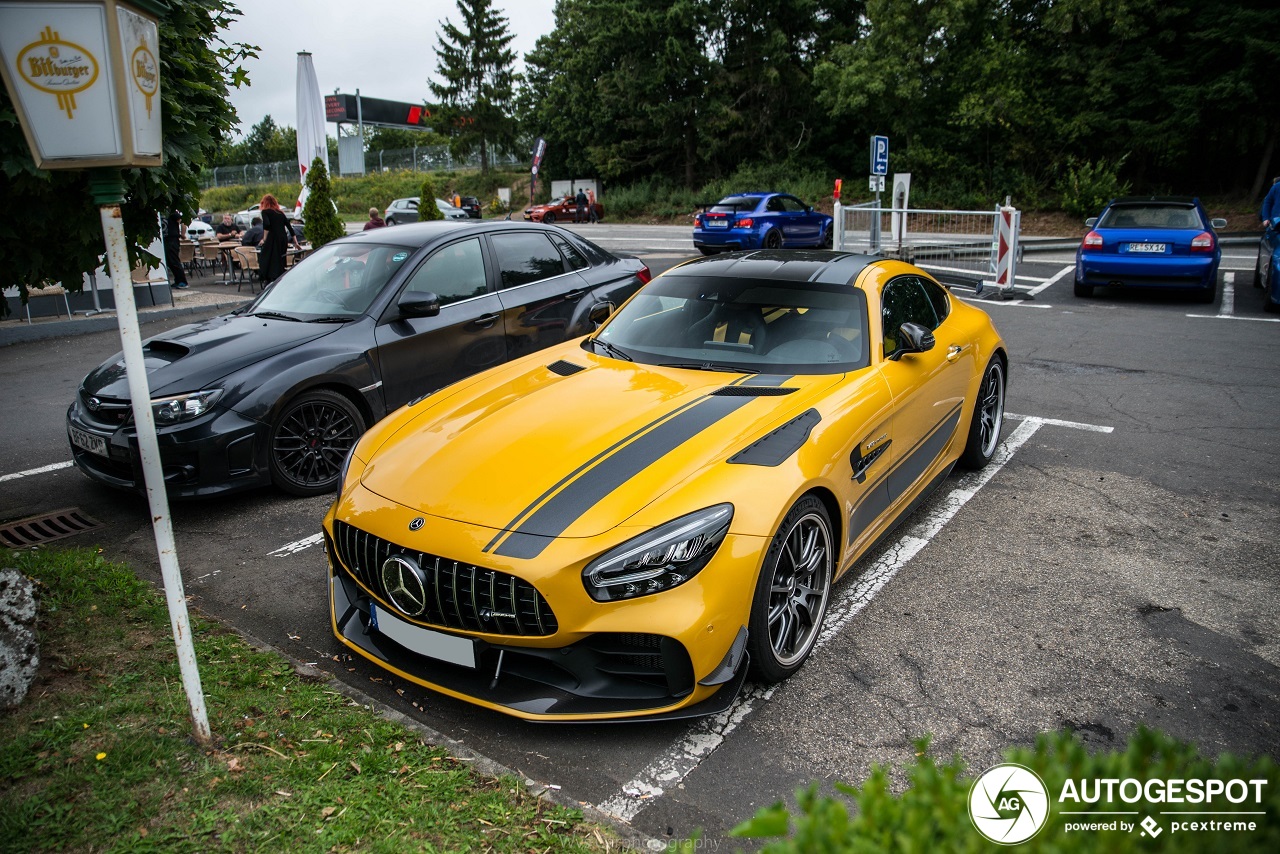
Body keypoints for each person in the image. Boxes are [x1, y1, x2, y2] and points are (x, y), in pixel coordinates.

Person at [258, 194, 298, 284]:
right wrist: (296, 242)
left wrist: (264, 239)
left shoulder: (265, 212)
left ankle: (268, 278)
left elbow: (267, 225)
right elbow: (290, 228)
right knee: (280, 258)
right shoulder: (280, 213)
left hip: (273, 237)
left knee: (267, 258)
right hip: (283, 238)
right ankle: (279, 278)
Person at [164, 210, 189, 289]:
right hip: (166, 239)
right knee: (169, 261)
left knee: (174, 260)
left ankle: (182, 281)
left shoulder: (171, 212)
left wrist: (182, 234)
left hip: (172, 239)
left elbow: (182, 221)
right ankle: (178, 280)